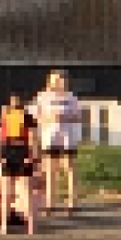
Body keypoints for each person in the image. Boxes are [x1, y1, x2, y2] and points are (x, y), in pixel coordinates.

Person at [32, 70, 83, 213]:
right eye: (56, 80)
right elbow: (35, 116)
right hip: (50, 137)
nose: (59, 82)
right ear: (50, 81)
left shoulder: (71, 97)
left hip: (67, 138)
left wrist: (64, 117)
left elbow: (78, 116)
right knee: (50, 170)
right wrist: (49, 118)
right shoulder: (42, 97)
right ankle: (50, 203)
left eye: (62, 79)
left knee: (69, 169)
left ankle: (72, 202)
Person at [0, 94, 39, 236]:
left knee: (26, 191)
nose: (14, 101)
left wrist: (33, 155)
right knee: (6, 191)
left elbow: (32, 137)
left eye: (17, 99)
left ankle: (31, 225)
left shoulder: (27, 117)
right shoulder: (3, 116)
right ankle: (3, 226)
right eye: (12, 99)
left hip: (23, 150)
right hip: (7, 151)